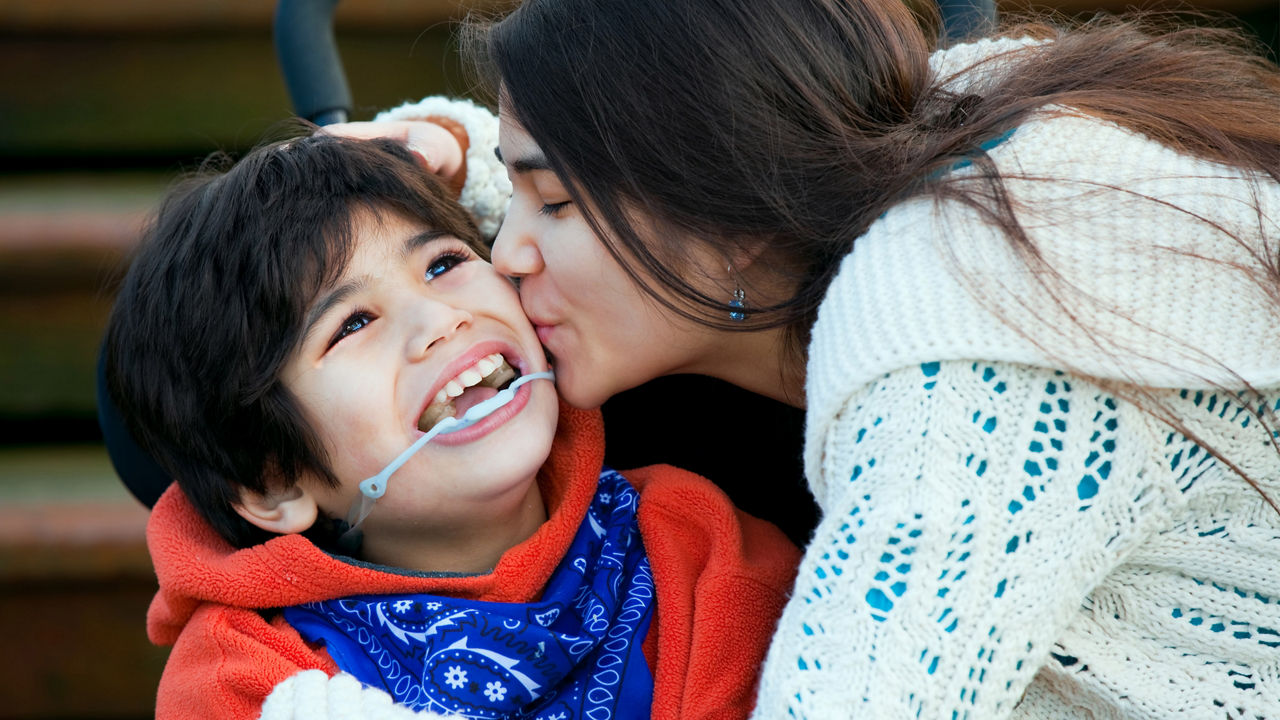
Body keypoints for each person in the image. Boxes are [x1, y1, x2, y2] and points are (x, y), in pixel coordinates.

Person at [326, 3, 1280, 717]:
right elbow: (649, 152)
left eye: (554, 206)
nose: (508, 256)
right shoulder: (947, 126)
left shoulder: (962, 386)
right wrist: (449, 155)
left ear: (728, 208)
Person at [102, 121, 801, 720]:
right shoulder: (249, 677)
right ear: (274, 486)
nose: (439, 321)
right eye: (352, 323)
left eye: (442, 264)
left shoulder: (696, 548)